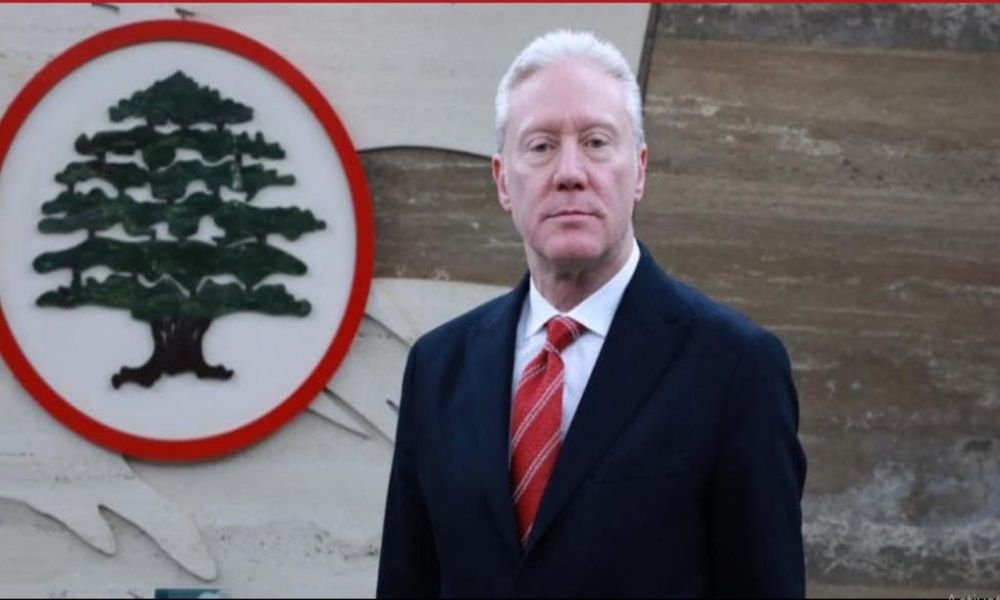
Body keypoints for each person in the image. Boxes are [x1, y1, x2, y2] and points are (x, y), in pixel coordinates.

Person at [377, 29, 806, 598]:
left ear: (640, 170)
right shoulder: (438, 367)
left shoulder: (735, 367)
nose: (570, 172)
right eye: (540, 146)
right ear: (503, 181)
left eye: (597, 142)